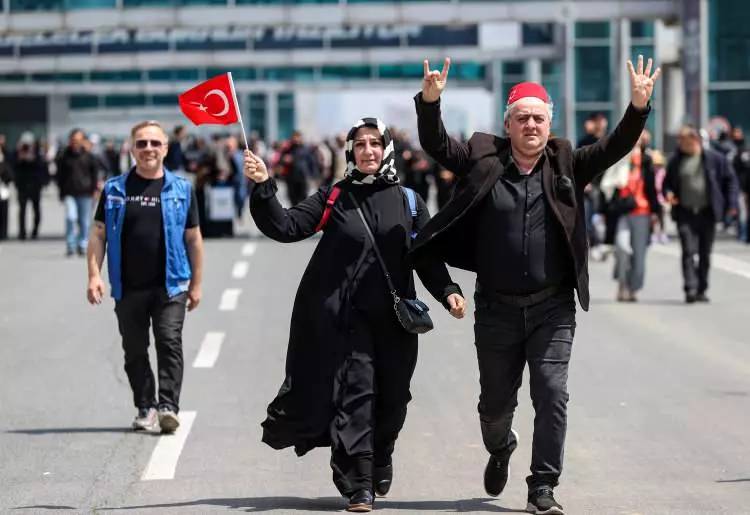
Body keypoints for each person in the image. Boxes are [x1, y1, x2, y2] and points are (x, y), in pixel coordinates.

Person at [409, 55, 660, 514]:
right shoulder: (484, 159)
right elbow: (438, 144)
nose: (530, 125)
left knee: (552, 391)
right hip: (496, 309)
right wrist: (431, 102)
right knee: (494, 406)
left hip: (552, 306)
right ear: (508, 123)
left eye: (538, 118)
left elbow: (614, 147)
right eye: (522, 118)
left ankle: (542, 486)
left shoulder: (566, 161)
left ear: (549, 124)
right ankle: (501, 445)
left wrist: (638, 106)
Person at [245, 117, 466, 513]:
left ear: (386, 150)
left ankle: (382, 454)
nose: (368, 150)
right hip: (346, 322)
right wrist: (263, 187)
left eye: (375, 143)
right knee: (355, 397)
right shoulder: (334, 196)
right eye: (360, 144)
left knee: (394, 399)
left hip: (396, 323)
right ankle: (358, 483)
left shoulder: (409, 201)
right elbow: (286, 225)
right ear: (350, 152)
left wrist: (448, 291)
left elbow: (427, 257)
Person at [86, 120, 203, 433]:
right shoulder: (114, 189)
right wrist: (94, 275)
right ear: (132, 148)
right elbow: (98, 234)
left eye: (154, 143)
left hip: (172, 284)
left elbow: (193, 238)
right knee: (134, 350)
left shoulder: (182, 189)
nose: (148, 149)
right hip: (128, 286)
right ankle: (145, 406)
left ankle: (168, 406)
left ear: (165, 148)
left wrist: (197, 284)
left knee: (169, 342)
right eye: (142, 143)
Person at [663, 125, 738, 303]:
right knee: (688, 251)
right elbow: (666, 183)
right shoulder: (676, 161)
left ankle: (701, 288)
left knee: (705, 252)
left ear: (695, 141)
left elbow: (731, 181)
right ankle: (690, 288)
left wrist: (732, 204)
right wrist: (669, 193)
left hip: (707, 212)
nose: (680, 144)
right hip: (685, 212)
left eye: (684, 141)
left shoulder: (715, 159)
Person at [611, 134, 661, 302]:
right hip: (623, 211)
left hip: (642, 212)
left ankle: (633, 288)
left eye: (639, 140)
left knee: (639, 256)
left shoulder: (647, 161)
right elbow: (608, 183)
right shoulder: (619, 159)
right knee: (622, 247)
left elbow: (652, 189)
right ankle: (622, 284)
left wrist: (656, 213)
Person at [55, 128, 99, 256]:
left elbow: (94, 174)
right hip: (69, 192)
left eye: (79, 140)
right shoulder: (64, 156)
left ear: (83, 141)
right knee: (70, 217)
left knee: (84, 220)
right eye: (74, 140)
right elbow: (60, 175)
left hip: (86, 193)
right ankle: (70, 244)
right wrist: (61, 192)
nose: (76, 143)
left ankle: (83, 244)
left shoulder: (89, 156)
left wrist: (94, 190)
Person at [11, 132, 49, 240]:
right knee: (22, 210)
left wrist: (33, 157)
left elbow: (42, 166)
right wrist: (20, 156)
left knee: (36, 209)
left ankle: (35, 231)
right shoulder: (18, 152)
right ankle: (22, 232)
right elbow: (12, 165)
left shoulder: (37, 152)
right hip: (22, 185)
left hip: (35, 186)